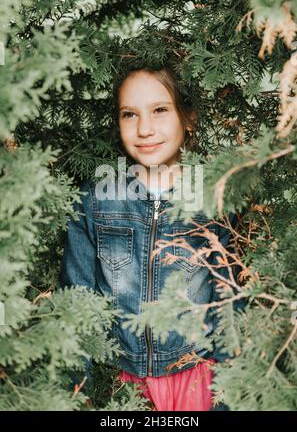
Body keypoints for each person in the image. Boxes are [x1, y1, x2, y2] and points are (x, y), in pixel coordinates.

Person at [61, 65, 242, 411]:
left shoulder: (215, 201)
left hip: (198, 381)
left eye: (160, 109)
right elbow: (76, 303)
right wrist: (75, 395)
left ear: (188, 117)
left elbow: (230, 304)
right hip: (122, 384)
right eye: (130, 114)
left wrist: (227, 398)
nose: (144, 129)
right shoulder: (95, 201)